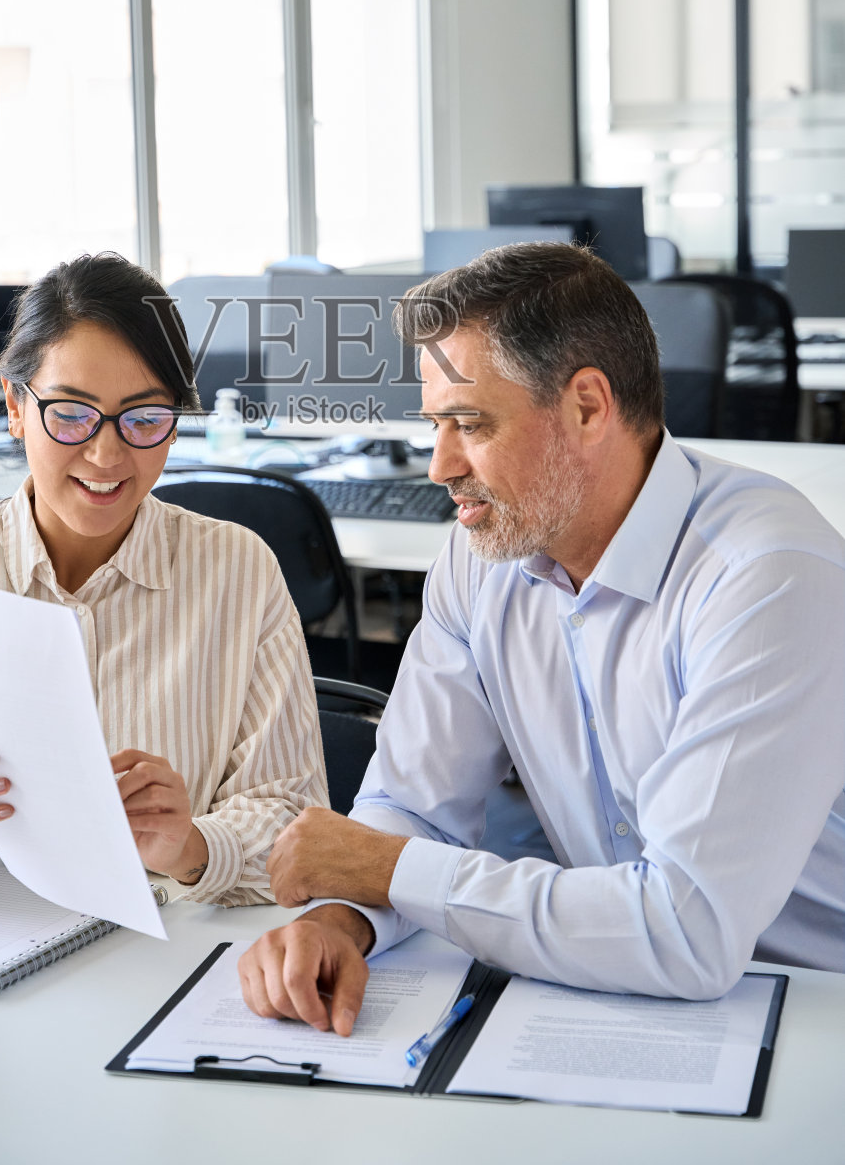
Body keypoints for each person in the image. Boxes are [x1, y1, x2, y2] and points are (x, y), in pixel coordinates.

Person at [238, 243, 845, 1034]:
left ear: (587, 407)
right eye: (435, 426)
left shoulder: (765, 576)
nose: (438, 466)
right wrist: (337, 923)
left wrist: (390, 871)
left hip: (807, 1004)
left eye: (469, 424)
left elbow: (686, 930)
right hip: (606, 985)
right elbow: (414, 806)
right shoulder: (481, 553)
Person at [0, 253, 327, 902]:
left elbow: (293, 823)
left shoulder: (238, 570)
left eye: (145, 417)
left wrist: (193, 846)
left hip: (166, 933)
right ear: (14, 404)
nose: (106, 453)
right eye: (71, 412)